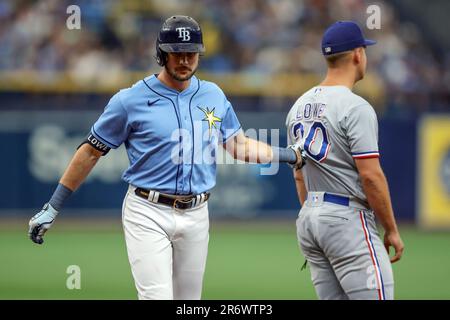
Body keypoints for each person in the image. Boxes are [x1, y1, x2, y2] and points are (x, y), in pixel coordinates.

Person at [28, 15, 305, 300]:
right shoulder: (130, 100)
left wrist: (291, 155)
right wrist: (53, 206)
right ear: (162, 54)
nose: (184, 60)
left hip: (197, 213)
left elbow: (240, 146)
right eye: (177, 53)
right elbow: (90, 152)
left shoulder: (213, 94)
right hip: (147, 211)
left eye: (191, 53)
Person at [286, 21, 404, 300]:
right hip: (346, 219)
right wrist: (391, 229)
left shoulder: (298, 106)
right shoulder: (355, 106)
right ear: (357, 54)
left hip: (310, 219)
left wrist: (315, 216)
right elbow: (371, 176)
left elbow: (299, 175)